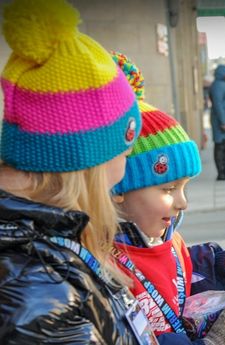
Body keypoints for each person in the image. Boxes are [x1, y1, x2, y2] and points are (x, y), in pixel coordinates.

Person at [0, 0, 146, 343]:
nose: (125, 167)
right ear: (88, 164)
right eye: (124, 152)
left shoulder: (46, 249)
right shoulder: (36, 286)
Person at [111, 53, 225, 345]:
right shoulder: (105, 265)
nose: (182, 202)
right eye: (168, 189)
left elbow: (182, 270)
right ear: (118, 188)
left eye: (184, 188)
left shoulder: (167, 236)